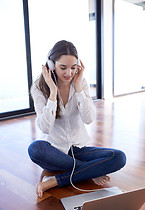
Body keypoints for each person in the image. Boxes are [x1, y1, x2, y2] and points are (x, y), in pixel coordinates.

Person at [28, 40, 126, 198]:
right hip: (54, 150)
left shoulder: (80, 83)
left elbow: (89, 119)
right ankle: (88, 171)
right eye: (63, 67)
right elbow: (45, 128)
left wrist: (79, 87)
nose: (69, 73)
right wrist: (53, 92)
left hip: (80, 148)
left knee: (119, 157)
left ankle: (54, 181)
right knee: (35, 149)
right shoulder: (39, 87)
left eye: (73, 67)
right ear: (51, 65)